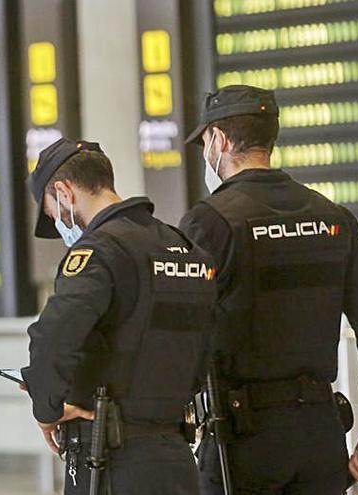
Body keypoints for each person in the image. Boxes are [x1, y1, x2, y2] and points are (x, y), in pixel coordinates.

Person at [181, 84, 358, 494]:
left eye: (205, 141)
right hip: (320, 433)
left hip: (243, 437)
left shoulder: (210, 223)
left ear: (220, 140)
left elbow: (181, 329)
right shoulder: (334, 218)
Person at [21, 139, 216, 494]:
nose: (60, 228)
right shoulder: (188, 250)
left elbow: (51, 339)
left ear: (64, 192)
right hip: (178, 457)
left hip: (112, 460)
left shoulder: (99, 251)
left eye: (52, 214)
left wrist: (46, 410)